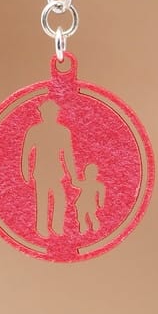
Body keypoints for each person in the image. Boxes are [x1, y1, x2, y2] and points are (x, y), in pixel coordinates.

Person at [20, 100, 78, 237]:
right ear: (42, 113)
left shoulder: (63, 132)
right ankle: (42, 229)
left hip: (56, 173)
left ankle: (56, 227)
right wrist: (25, 171)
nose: (50, 115)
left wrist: (73, 176)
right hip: (40, 173)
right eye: (47, 112)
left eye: (53, 112)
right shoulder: (35, 131)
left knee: (60, 198)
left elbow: (68, 155)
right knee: (42, 201)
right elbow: (26, 153)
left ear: (56, 114)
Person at [74, 163, 105, 234]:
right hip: (81, 203)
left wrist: (100, 203)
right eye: (87, 172)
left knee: (91, 215)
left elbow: (101, 194)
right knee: (81, 217)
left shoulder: (98, 185)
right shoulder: (85, 183)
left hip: (90, 204)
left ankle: (94, 226)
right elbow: (75, 183)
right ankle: (83, 227)